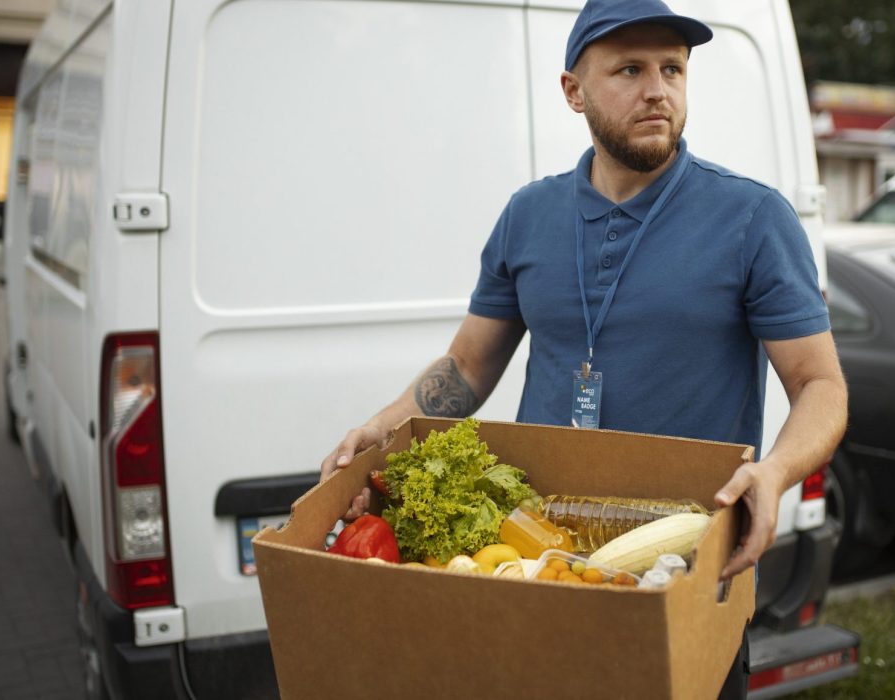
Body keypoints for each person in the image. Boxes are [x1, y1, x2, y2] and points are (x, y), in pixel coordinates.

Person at [321, 0, 847, 696]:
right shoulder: (528, 216)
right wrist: (383, 426)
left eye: (672, 69)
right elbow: (471, 364)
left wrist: (775, 472)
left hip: (682, 569)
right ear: (573, 90)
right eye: (629, 69)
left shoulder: (751, 218)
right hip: (542, 566)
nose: (658, 89)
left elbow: (821, 385)